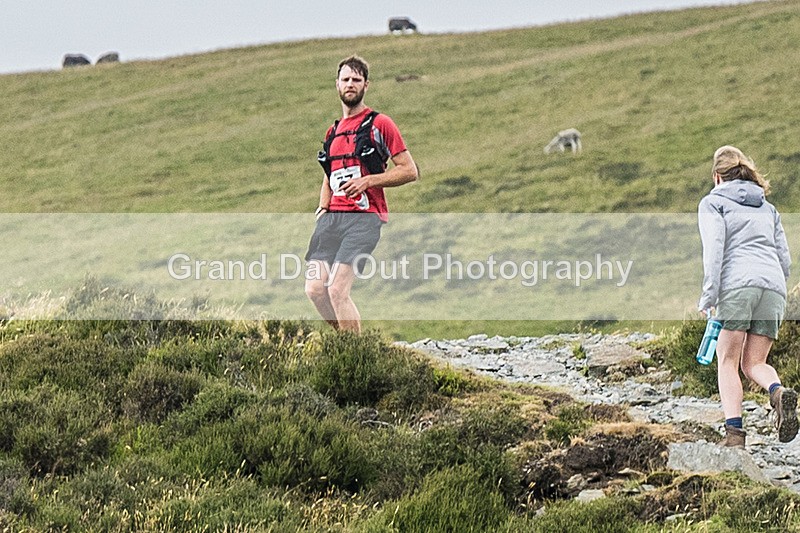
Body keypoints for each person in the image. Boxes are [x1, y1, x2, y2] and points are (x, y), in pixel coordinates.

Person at [304, 55, 418, 332]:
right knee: (315, 289)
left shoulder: (380, 124)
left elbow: (409, 170)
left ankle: (354, 353)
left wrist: (368, 182)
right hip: (332, 220)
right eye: (346, 80)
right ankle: (347, 342)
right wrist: (323, 207)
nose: (350, 84)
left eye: (356, 80)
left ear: (366, 85)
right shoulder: (332, 131)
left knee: (337, 290)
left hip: (364, 219)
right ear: (337, 85)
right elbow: (328, 175)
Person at [698, 145, 797, 448]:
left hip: (738, 286)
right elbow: (786, 260)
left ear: (717, 176)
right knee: (754, 362)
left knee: (727, 361)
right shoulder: (768, 207)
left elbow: (715, 251)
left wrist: (709, 296)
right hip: (773, 288)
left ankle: (734, 436)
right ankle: (778, 392)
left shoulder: (713, 203)